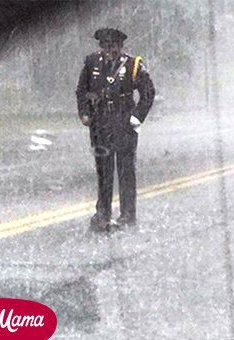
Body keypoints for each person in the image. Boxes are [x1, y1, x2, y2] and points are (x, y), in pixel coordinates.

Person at [76, 28, 155, 231]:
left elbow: (148, 93)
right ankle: (103, 213)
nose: (109, 50)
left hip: (123, 122)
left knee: (125, 170)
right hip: (100, 123)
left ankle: (128, 214)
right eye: (105, 46)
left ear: (120, 47)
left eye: (112, 46)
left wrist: (136, 118)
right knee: (104, 170)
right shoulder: (92, 62)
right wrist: (84, 113)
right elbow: (82, 90)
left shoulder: (133, 65)